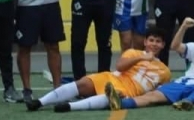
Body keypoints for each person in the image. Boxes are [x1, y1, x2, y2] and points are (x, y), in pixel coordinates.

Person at [27, 27, 170, 112]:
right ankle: (40, 102)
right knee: (82, 83)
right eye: (151, 40)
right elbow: (120, 66)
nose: (154, 44)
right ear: (145, 42)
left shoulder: (165, 71)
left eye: (158, 41)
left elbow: (160, 92)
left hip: (129, 91)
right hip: (112, 78)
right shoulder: (134, 53)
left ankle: (69, 106)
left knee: (109, 96)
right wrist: (142, 58)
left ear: (163, 45)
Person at [107, 17, 194, 110]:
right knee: (152, 96)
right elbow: (175, 46)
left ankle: (187, 102)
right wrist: (184, 26)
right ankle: (121, 104)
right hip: (184, 82)